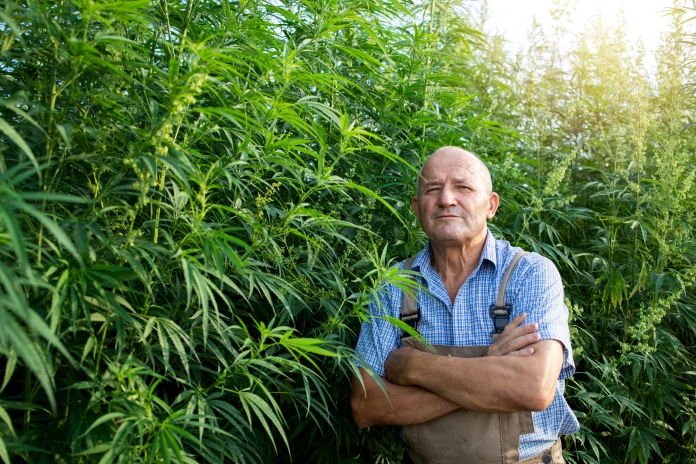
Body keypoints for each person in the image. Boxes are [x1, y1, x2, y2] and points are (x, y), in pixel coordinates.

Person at [350, 146, 579, 464]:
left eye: (463, 187)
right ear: (417, 208)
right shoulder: (393, 286)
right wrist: (491, 367)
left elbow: (533, 388)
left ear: (491, 205)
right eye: (432, 189)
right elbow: (366, 405)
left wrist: (412, 367)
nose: (446, 199)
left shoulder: (529, 274)